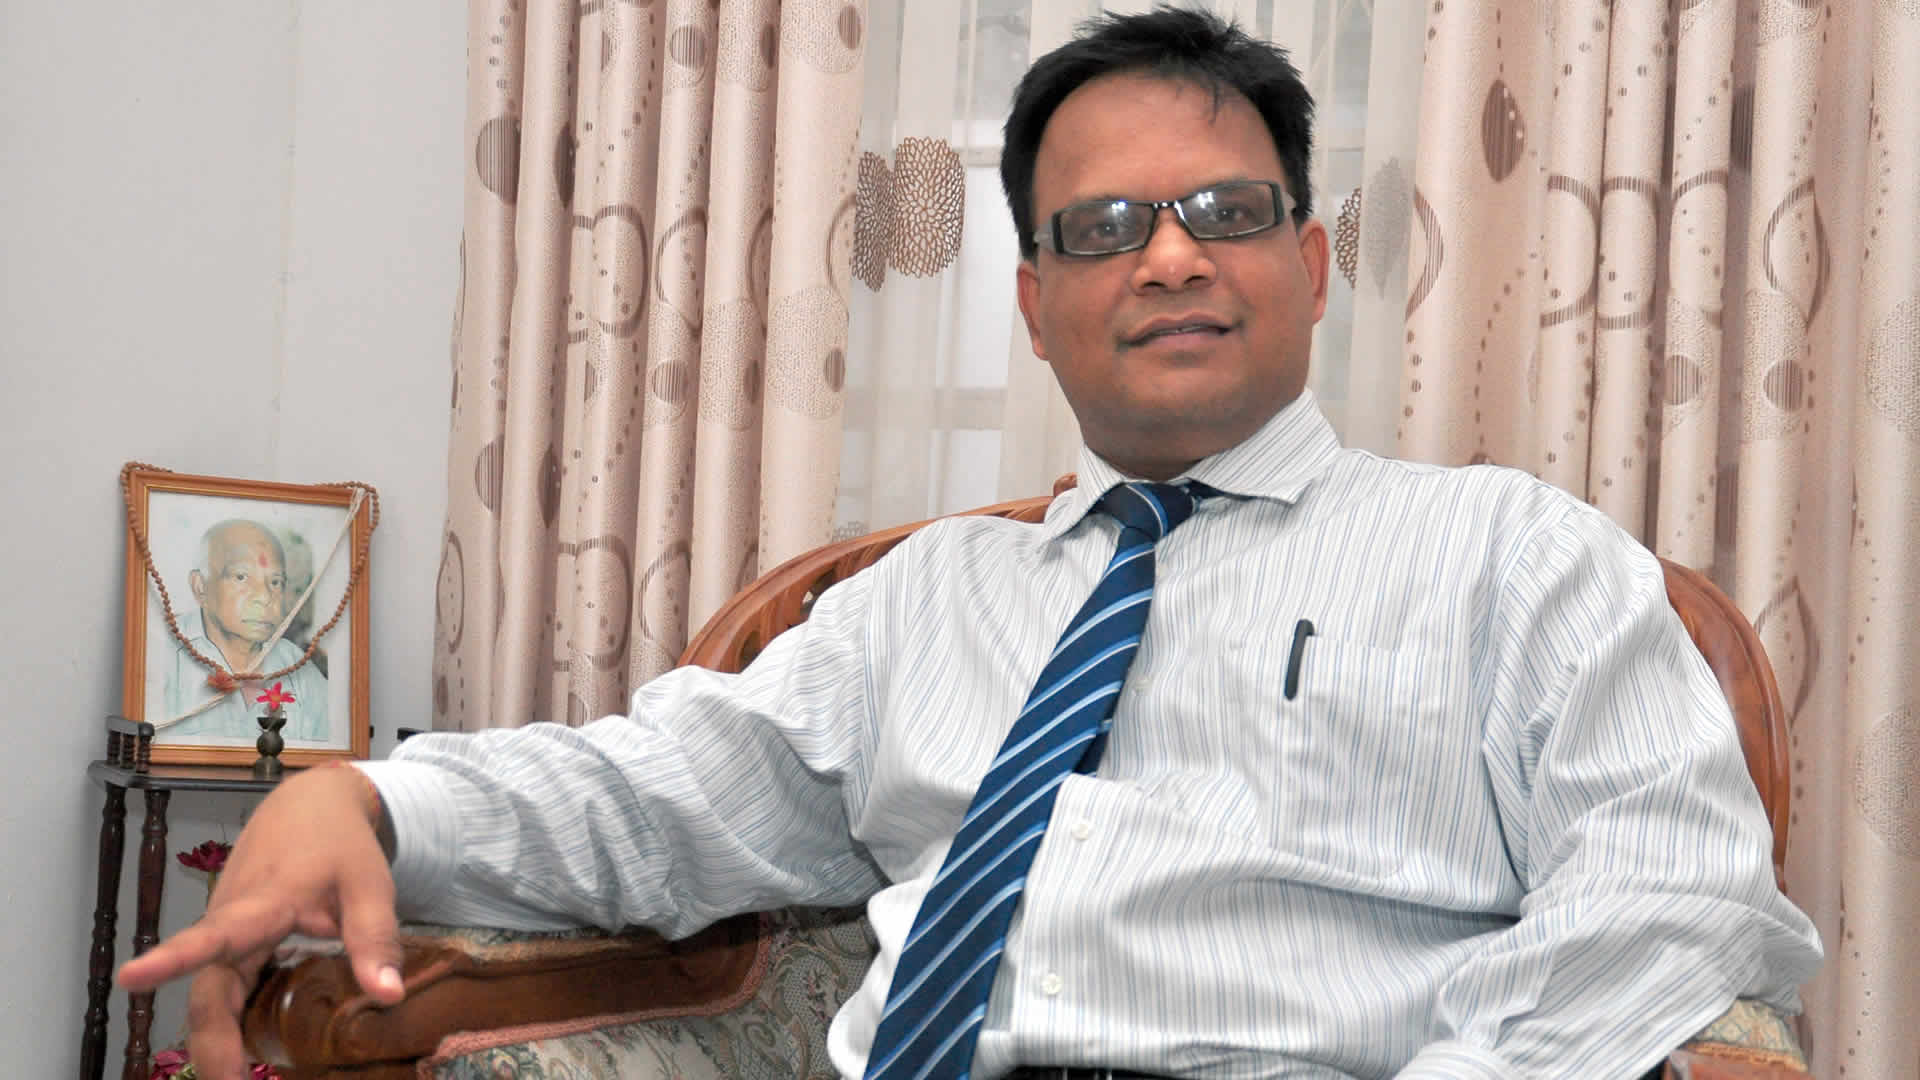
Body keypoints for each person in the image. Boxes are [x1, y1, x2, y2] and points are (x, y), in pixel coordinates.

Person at [121, 9, 1821, 1079]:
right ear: (1034, 300)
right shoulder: (922, 602)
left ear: (1311, 266)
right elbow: (655, 797)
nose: (1170, 257)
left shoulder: (1513, 561)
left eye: (1227, 213)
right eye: (1106, 226)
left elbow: (1668, 892)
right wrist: (367, 800)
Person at [153, 518, 329, 741]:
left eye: (275, 582)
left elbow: (333, 750)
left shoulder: (298, 666)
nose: (264, 597)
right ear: (200, 586)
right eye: (241, 577)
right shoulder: (161, 656)